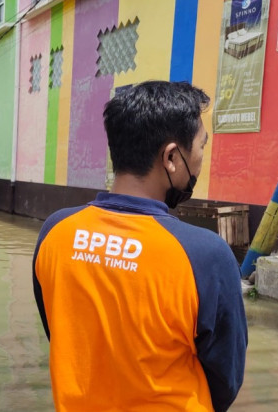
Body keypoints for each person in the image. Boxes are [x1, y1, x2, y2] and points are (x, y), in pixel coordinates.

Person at [33, 81, 247, 412]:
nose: (201, 161)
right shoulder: (206, 256)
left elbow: (62, 332)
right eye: (201, 148)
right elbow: (226, 379)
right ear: (172, 157)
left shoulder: (55, 233)